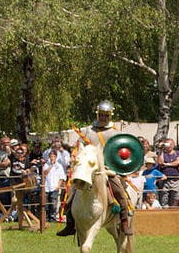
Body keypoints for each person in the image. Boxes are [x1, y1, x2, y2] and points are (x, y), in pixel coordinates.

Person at [56, 100, 134, 236]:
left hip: (107, 169)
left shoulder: (115, 134)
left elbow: (120, 153)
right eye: (101, 115)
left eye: (106, 115)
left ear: (110, 116)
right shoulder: (87, 131)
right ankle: (70, 223)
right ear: (98, 115)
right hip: (88, 168)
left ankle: (124, 221)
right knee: (70, 191)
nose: (103, 118)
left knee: (119, 191)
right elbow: (78, 147)